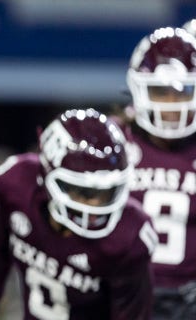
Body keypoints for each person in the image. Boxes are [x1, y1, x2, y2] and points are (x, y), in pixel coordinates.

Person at [0, 108, 158, 320]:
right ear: (49, 176)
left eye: (106, 193)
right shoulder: (17, 190)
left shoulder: (127, 238)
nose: (96, 205)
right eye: (84, 191)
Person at [121, 26, 196, 319]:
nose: (171, 104)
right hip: (125, 294)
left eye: (183, 92)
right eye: (161, 92)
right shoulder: (114, 145)